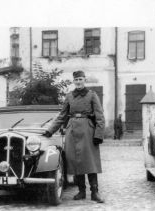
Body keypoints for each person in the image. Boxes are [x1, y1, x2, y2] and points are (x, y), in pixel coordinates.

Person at [43, 70, 105, 203]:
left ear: (84, 80)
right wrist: (50, 130)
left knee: (90, 161)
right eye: (76, 80)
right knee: (76, 161)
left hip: (87, 130)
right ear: (73, 81)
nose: (78, 82)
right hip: (72, 131)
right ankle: (81, 191)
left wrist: (98, 134)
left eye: (80, 79)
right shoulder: (69, 96)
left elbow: (100, 116)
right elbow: (62, 115)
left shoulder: (92, 95)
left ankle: (95, 192)